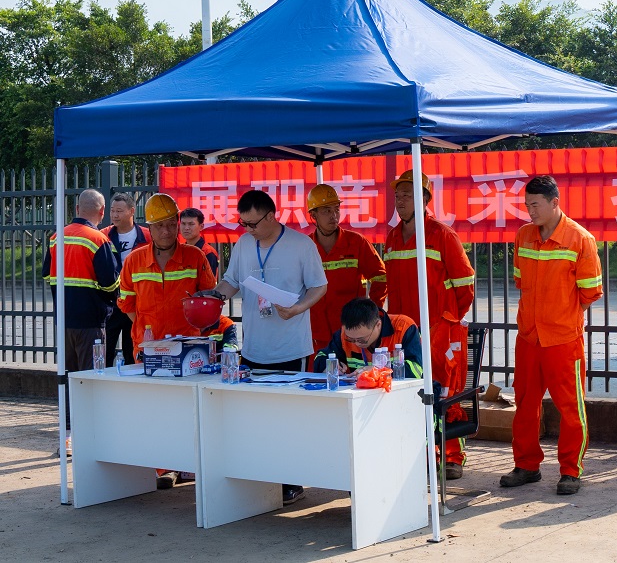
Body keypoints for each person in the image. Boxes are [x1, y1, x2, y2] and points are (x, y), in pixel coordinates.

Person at [205, 189, 327, 506]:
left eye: (253, 224)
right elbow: (232, 281)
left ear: (271, 216)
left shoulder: (301, 245)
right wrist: (215, 296)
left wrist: (298, 308)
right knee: (255, 418)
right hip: (254, 348)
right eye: (243, 224)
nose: (248, 230)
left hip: (291, 348)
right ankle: (261, 479)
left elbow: (319, 286)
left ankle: (290, 481)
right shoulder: (244, 244)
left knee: (287, 418)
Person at [500, 175, 602, 496]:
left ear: (555, 202)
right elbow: (521, 281)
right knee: (525, 404)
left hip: (563, 340)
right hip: (528, 337)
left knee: (571, 408)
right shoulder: (523, 235)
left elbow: (589, 292)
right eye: (526, 205)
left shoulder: (580, 239)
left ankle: (571, 470)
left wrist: (561, 315)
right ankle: (526, 465)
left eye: (535, 205)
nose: (530, 211)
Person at [117, 192, 215, 490]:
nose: (167, 231)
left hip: (189, 350)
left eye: (172, 224)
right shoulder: (135, 261)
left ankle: (189, 464)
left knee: (189, 410)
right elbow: (127, 305)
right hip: (149, 350)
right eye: (160, 225)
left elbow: (208, 299)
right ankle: (165, 467)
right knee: (155, 411)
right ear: (149, 227)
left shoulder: (195, 257)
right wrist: (148, 330)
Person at [384, 170, 475, 480]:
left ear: (424, 199)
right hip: (405, 334)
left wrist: (447, 321)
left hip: (439, 330)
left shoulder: (442, 234)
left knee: (445, 394)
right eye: (398, 196)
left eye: (408, 196)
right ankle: (421, 455)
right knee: (409, 392)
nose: (400, 201)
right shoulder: (392, 237)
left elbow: (465, 285)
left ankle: (452, 457)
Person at [42, 189, 120, 439]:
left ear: (77, 209)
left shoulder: (56, 237)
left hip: (64, 320)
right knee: (90, 378)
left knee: (67, 377)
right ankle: (89, 433)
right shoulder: (98, 240)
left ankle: (68, 431)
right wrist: (108, 303)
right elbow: (110, 282)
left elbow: (47, 275)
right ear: (102, 212)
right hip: (91, 322)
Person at [306, 184, 387, 368]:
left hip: (352, 334)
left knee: (354, 380)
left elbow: (380, 277)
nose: (334, 215)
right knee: (317, 380)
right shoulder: (305, 247)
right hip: (316, 336)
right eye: (326, 211)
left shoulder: (356, 243)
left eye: (336, 209)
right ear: (313, 215)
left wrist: (372, 312)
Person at [314, 297, 422, 379]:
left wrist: (379, 371)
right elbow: (321, 356)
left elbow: (417, 369)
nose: (356, 343)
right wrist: (329, 366)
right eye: (351, 339)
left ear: (378, 325)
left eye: (361, 339)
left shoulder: (404, 328)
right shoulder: (344, 334)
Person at [102, 192, 150, 365]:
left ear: (132, 211)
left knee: (133, 351)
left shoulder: (147, 236)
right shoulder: (103, 236)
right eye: (112, 211)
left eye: (119, 211)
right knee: (106, 351)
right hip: (111, 301)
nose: (115, 215)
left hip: (137, 301)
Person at [179, 207, 220, 278]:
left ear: (201, 226)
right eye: (183, 223)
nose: (186, 228)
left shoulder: (207, 252)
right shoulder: (179, 250)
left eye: (191, 224)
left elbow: (208, 282)